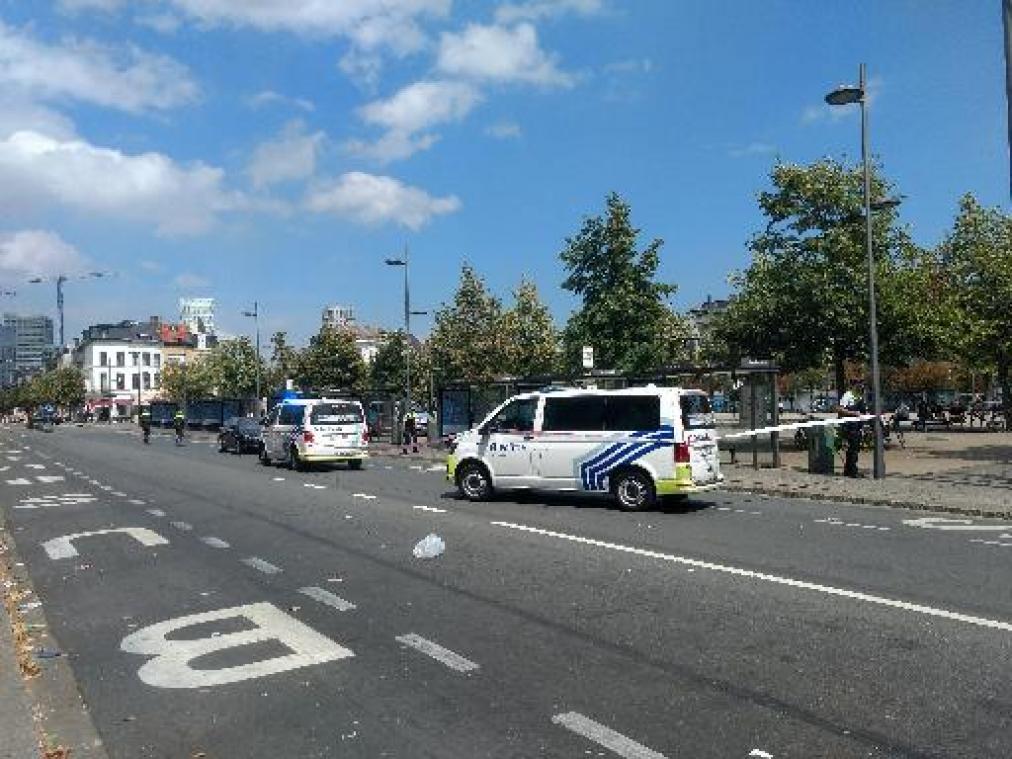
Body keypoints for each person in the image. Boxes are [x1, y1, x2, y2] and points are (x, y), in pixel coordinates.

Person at [837, 378, 866, 478]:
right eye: (860, 384)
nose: (862, 386)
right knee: (852, 450)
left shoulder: (859, 396)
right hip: (849, 427)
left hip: (857, 426)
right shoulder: (848, 395)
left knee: (855, 449)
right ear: (855, 385)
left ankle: (849, 470)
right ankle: (852, 471)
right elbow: (840, 410)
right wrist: (853, 413)